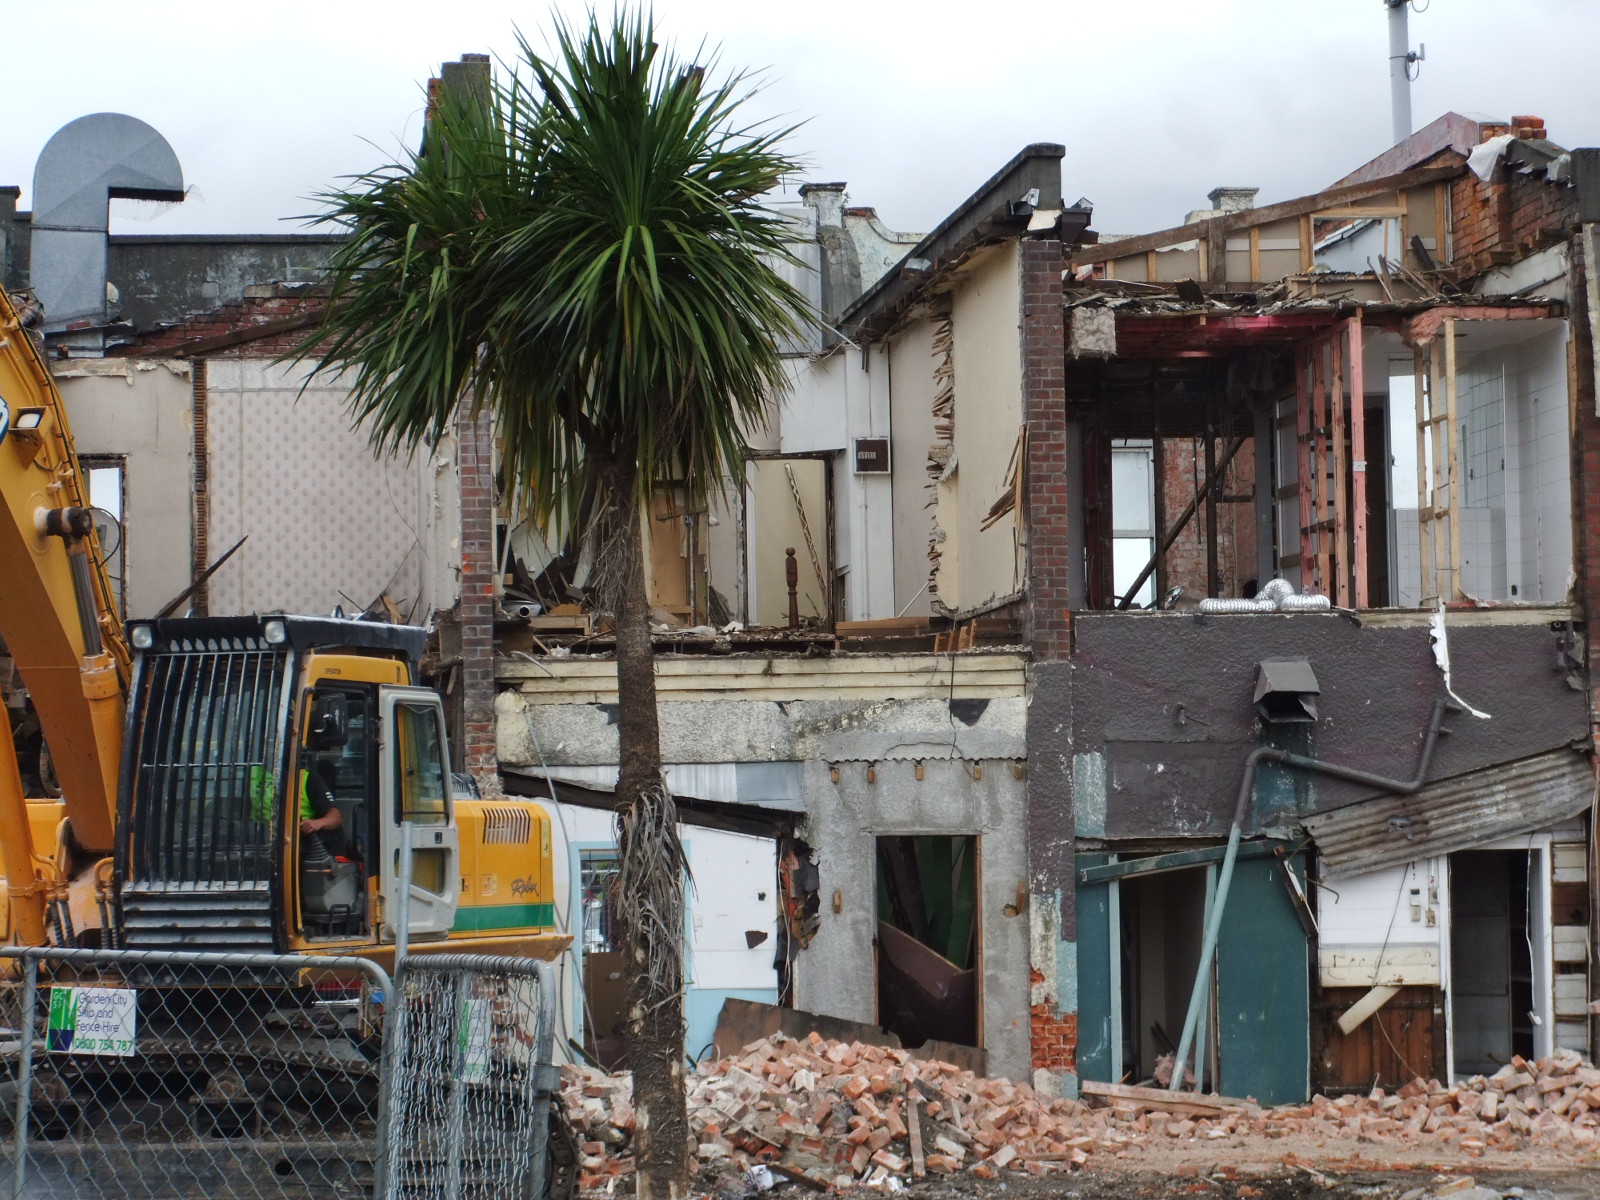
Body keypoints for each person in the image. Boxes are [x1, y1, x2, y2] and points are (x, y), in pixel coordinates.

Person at [299, 760, 350, 864]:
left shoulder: (307, 778)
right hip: (261, 844)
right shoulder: (257, 773)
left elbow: (335, 818)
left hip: (300, 846)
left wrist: (316, 823)